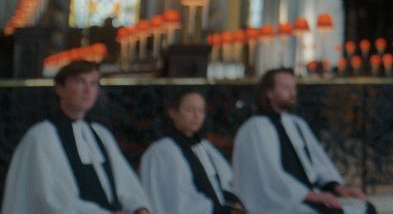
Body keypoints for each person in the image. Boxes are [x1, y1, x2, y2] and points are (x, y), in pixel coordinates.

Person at [1, 60, 152, 214]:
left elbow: (126, 185)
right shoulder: (41, 137)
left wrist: (139, 207)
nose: (88, 90)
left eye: (93, 83)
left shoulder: (101, 134)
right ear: (60, 88)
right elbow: (50, 199)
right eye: (80, 82)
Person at [232, 68, 377, 214]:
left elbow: (317, 163)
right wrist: (311, 196)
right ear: (269, 93)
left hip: (308, 195)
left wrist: (337, 187)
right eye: (286, 88)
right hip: (279, 203)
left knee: (366, 208)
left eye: (294, 88)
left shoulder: (296, 124)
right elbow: (270, 176)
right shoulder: (255, 128)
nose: (292, 93)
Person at [140, 88, 244, 213]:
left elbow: (219, 183)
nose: (197, 116)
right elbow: (174, 199)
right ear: (173, 112)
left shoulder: (203, 146)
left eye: (201, 111)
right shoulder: (162, 151)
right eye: (190, 110)